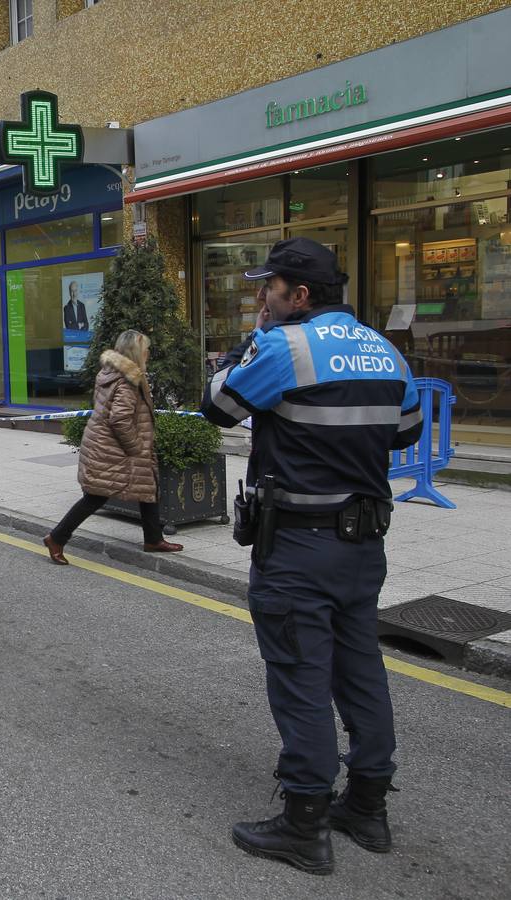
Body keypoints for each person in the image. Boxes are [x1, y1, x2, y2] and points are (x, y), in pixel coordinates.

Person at [202, 237, 423, 875]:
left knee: (300, 675)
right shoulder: (385, 350)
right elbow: (404, 432)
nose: (261, 299)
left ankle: (304, 823)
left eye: (268, 288)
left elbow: (215, 409)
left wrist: (246, 348)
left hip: (298, 545)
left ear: (298, 295)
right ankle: (368, 806)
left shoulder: (283, 347)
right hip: (364, 545)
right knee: (360, 671)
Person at [42, 330, 183, 565]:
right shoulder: (128, 381)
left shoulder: (111, 372)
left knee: (147, 484)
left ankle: (153, 539)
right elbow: (119, 419)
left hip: (103, 444)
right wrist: (136, 447)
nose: (148, 352)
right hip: (112, 448)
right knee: (96, 496)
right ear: (136, 353)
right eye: (145, 349)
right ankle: (56, 537)